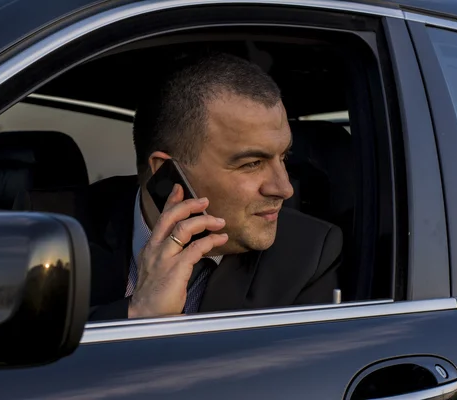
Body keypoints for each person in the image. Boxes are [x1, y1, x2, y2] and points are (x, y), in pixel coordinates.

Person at [17, 52, 343, 321]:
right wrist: (137, 313)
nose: (284, 188)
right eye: (252, 163)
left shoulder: (308, 253)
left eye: (283, 157)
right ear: (165, 172)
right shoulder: (47, 227)